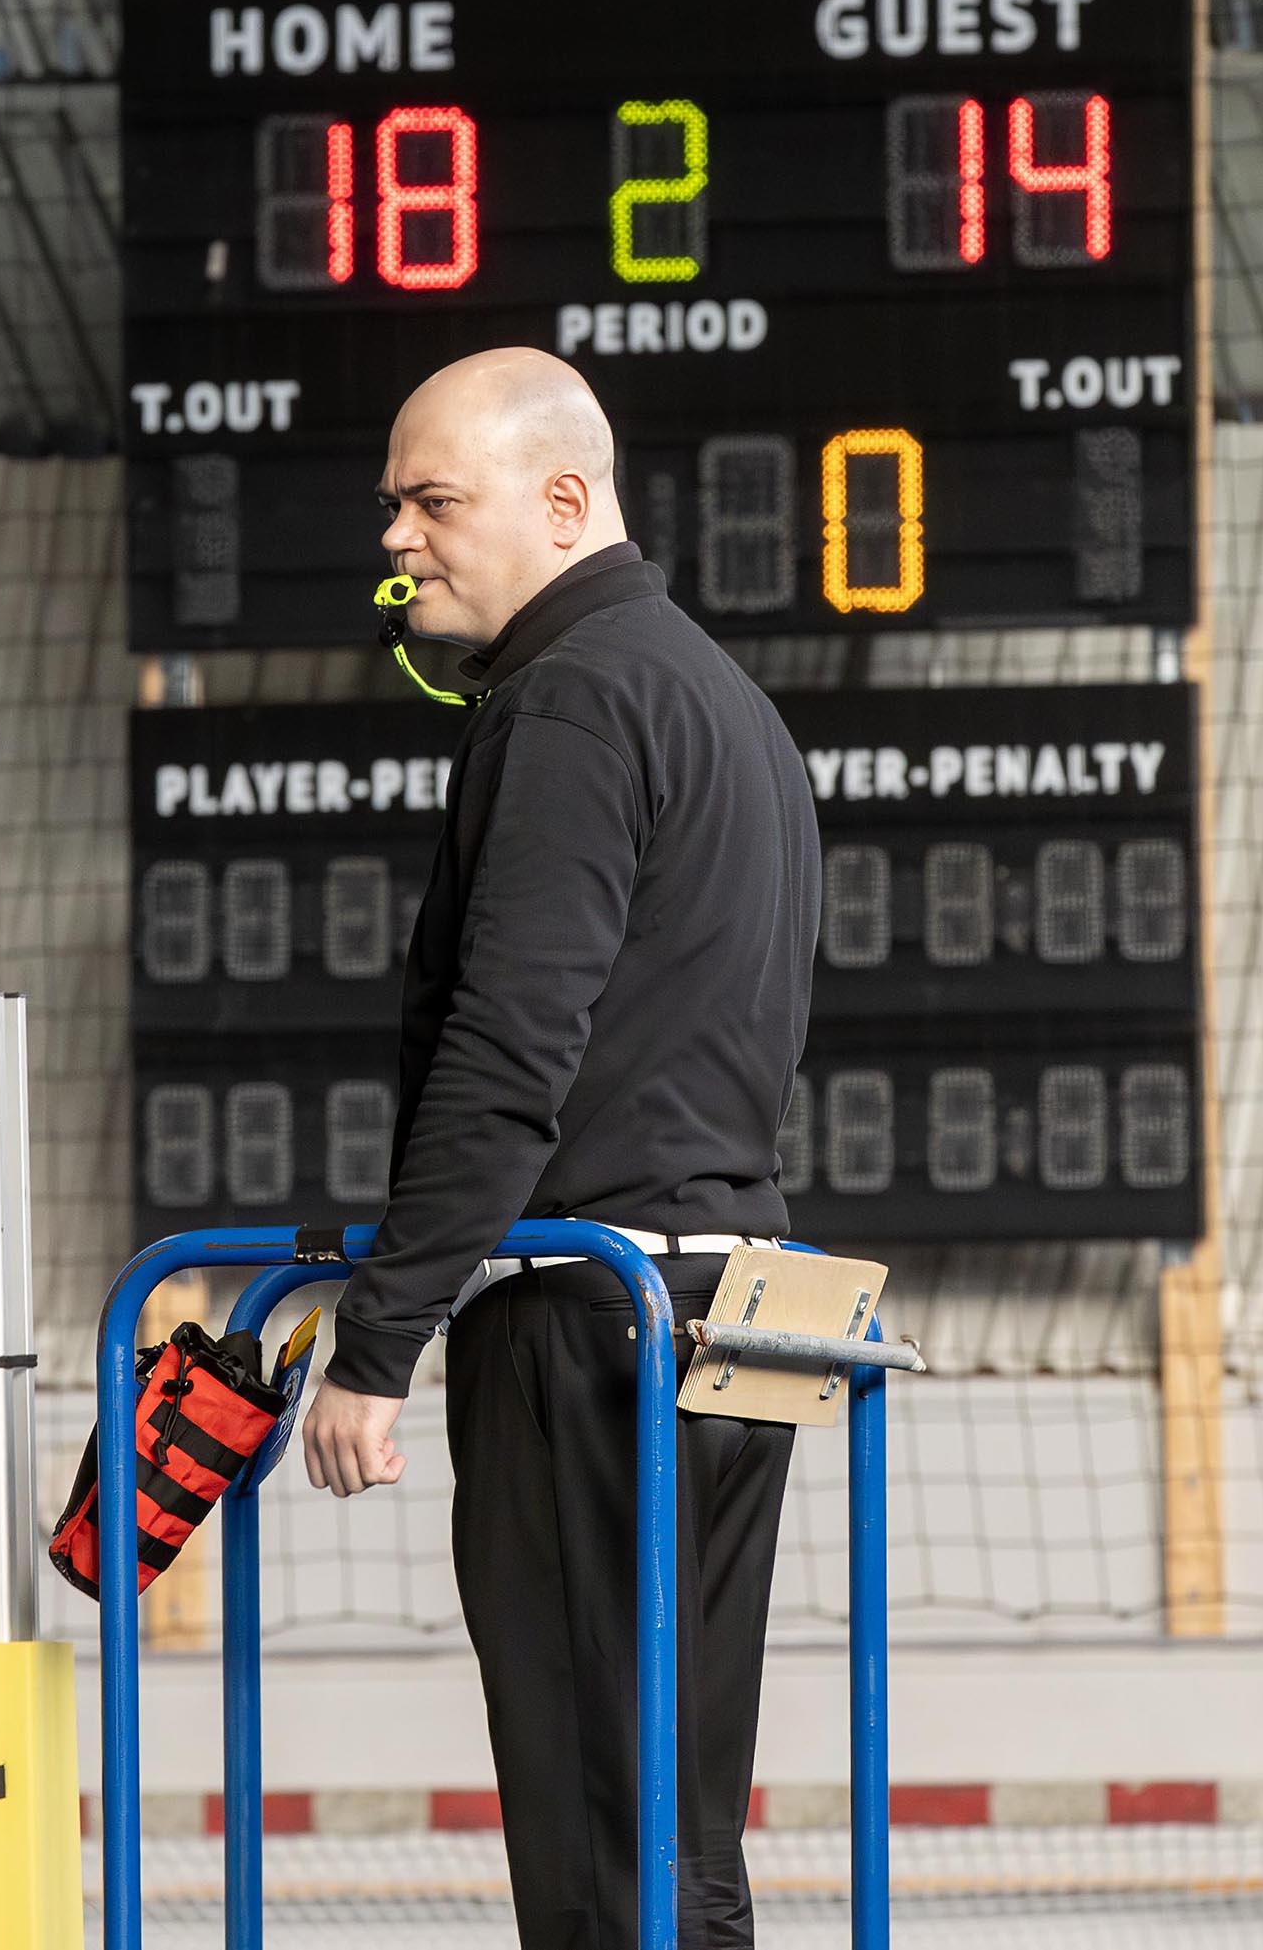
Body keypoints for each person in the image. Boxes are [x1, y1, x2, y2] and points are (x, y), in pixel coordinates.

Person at [294, 347, 820, 1950]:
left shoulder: (575, 698)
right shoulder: (722, 697)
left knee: (604, 1850)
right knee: (677, 1828)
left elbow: (513, 1048)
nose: (398, 535)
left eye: (435, 498)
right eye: (392, 501)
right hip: (751, 1303)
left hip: (601, 1319)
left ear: (564, 499)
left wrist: (380, 1340)